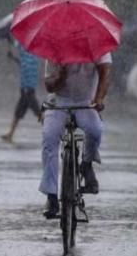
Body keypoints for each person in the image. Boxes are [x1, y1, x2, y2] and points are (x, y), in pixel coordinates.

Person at [41, 53, 111, 218]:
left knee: (95, 130)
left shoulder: (98, 46)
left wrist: (99, 99)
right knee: (49, 137)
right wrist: (60, 76)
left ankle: (86, 164)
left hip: (85, 103)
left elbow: (105, 74)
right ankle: (51, 195)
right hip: (59, 102)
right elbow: (49, 86)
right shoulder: (55, 48)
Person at [0, 39, 41, 143]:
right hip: (25, 89)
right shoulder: (32, 56)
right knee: (18, 113)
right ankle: (10, 134)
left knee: (38, 113)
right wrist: (13, 57)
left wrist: (10, 42)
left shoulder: (26, 50)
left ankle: (54, 133)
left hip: (27, 89)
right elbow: (23, 64)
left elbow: (18, 47)